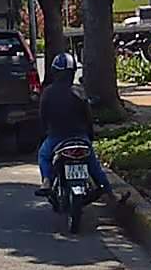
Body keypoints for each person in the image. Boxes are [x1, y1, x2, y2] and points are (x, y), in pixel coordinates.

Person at [36, 52, 118, 202]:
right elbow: (88, 118)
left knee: (43, 156)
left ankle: (47, 181)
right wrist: (90, 136)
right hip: (80, 137)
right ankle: (111, 194)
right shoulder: (79, 92)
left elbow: (42, 117)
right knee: (94, 165)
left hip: (56, 137)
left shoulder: (48, 93)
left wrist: (43, 134)